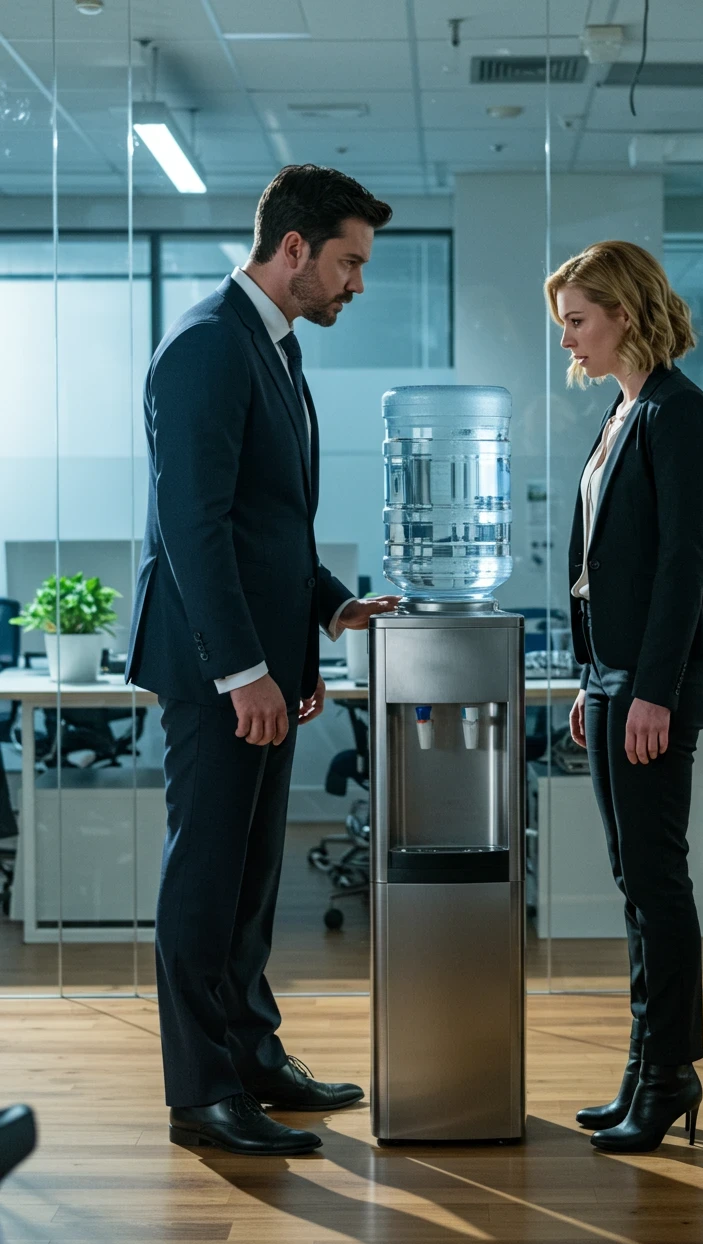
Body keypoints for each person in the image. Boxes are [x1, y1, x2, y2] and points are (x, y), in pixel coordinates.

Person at [127, 165, 400, 1156]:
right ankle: (202, 1092)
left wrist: (326, 611)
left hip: (264, 662)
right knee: (204, 874)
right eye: (347, 263)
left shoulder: (273, 348)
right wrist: (242, 668)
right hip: (216, 668)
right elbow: (191, 525)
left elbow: (269, 525)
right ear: (293, 249)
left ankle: (250, 1053)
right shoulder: (206, 345)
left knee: (248, 876)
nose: (355, 285)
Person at [544, 240, 703, 1154]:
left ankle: (669, 1073)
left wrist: (648, 690)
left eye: (578, 320)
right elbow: (599, 566)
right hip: (615, 675)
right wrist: (593, 680)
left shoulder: (677, 413)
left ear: (624, 312)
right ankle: (644, 1065)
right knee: (634, 880)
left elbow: (680, 563)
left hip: (659, 674)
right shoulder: (624, 412)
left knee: (655, 879)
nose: (568, 339)